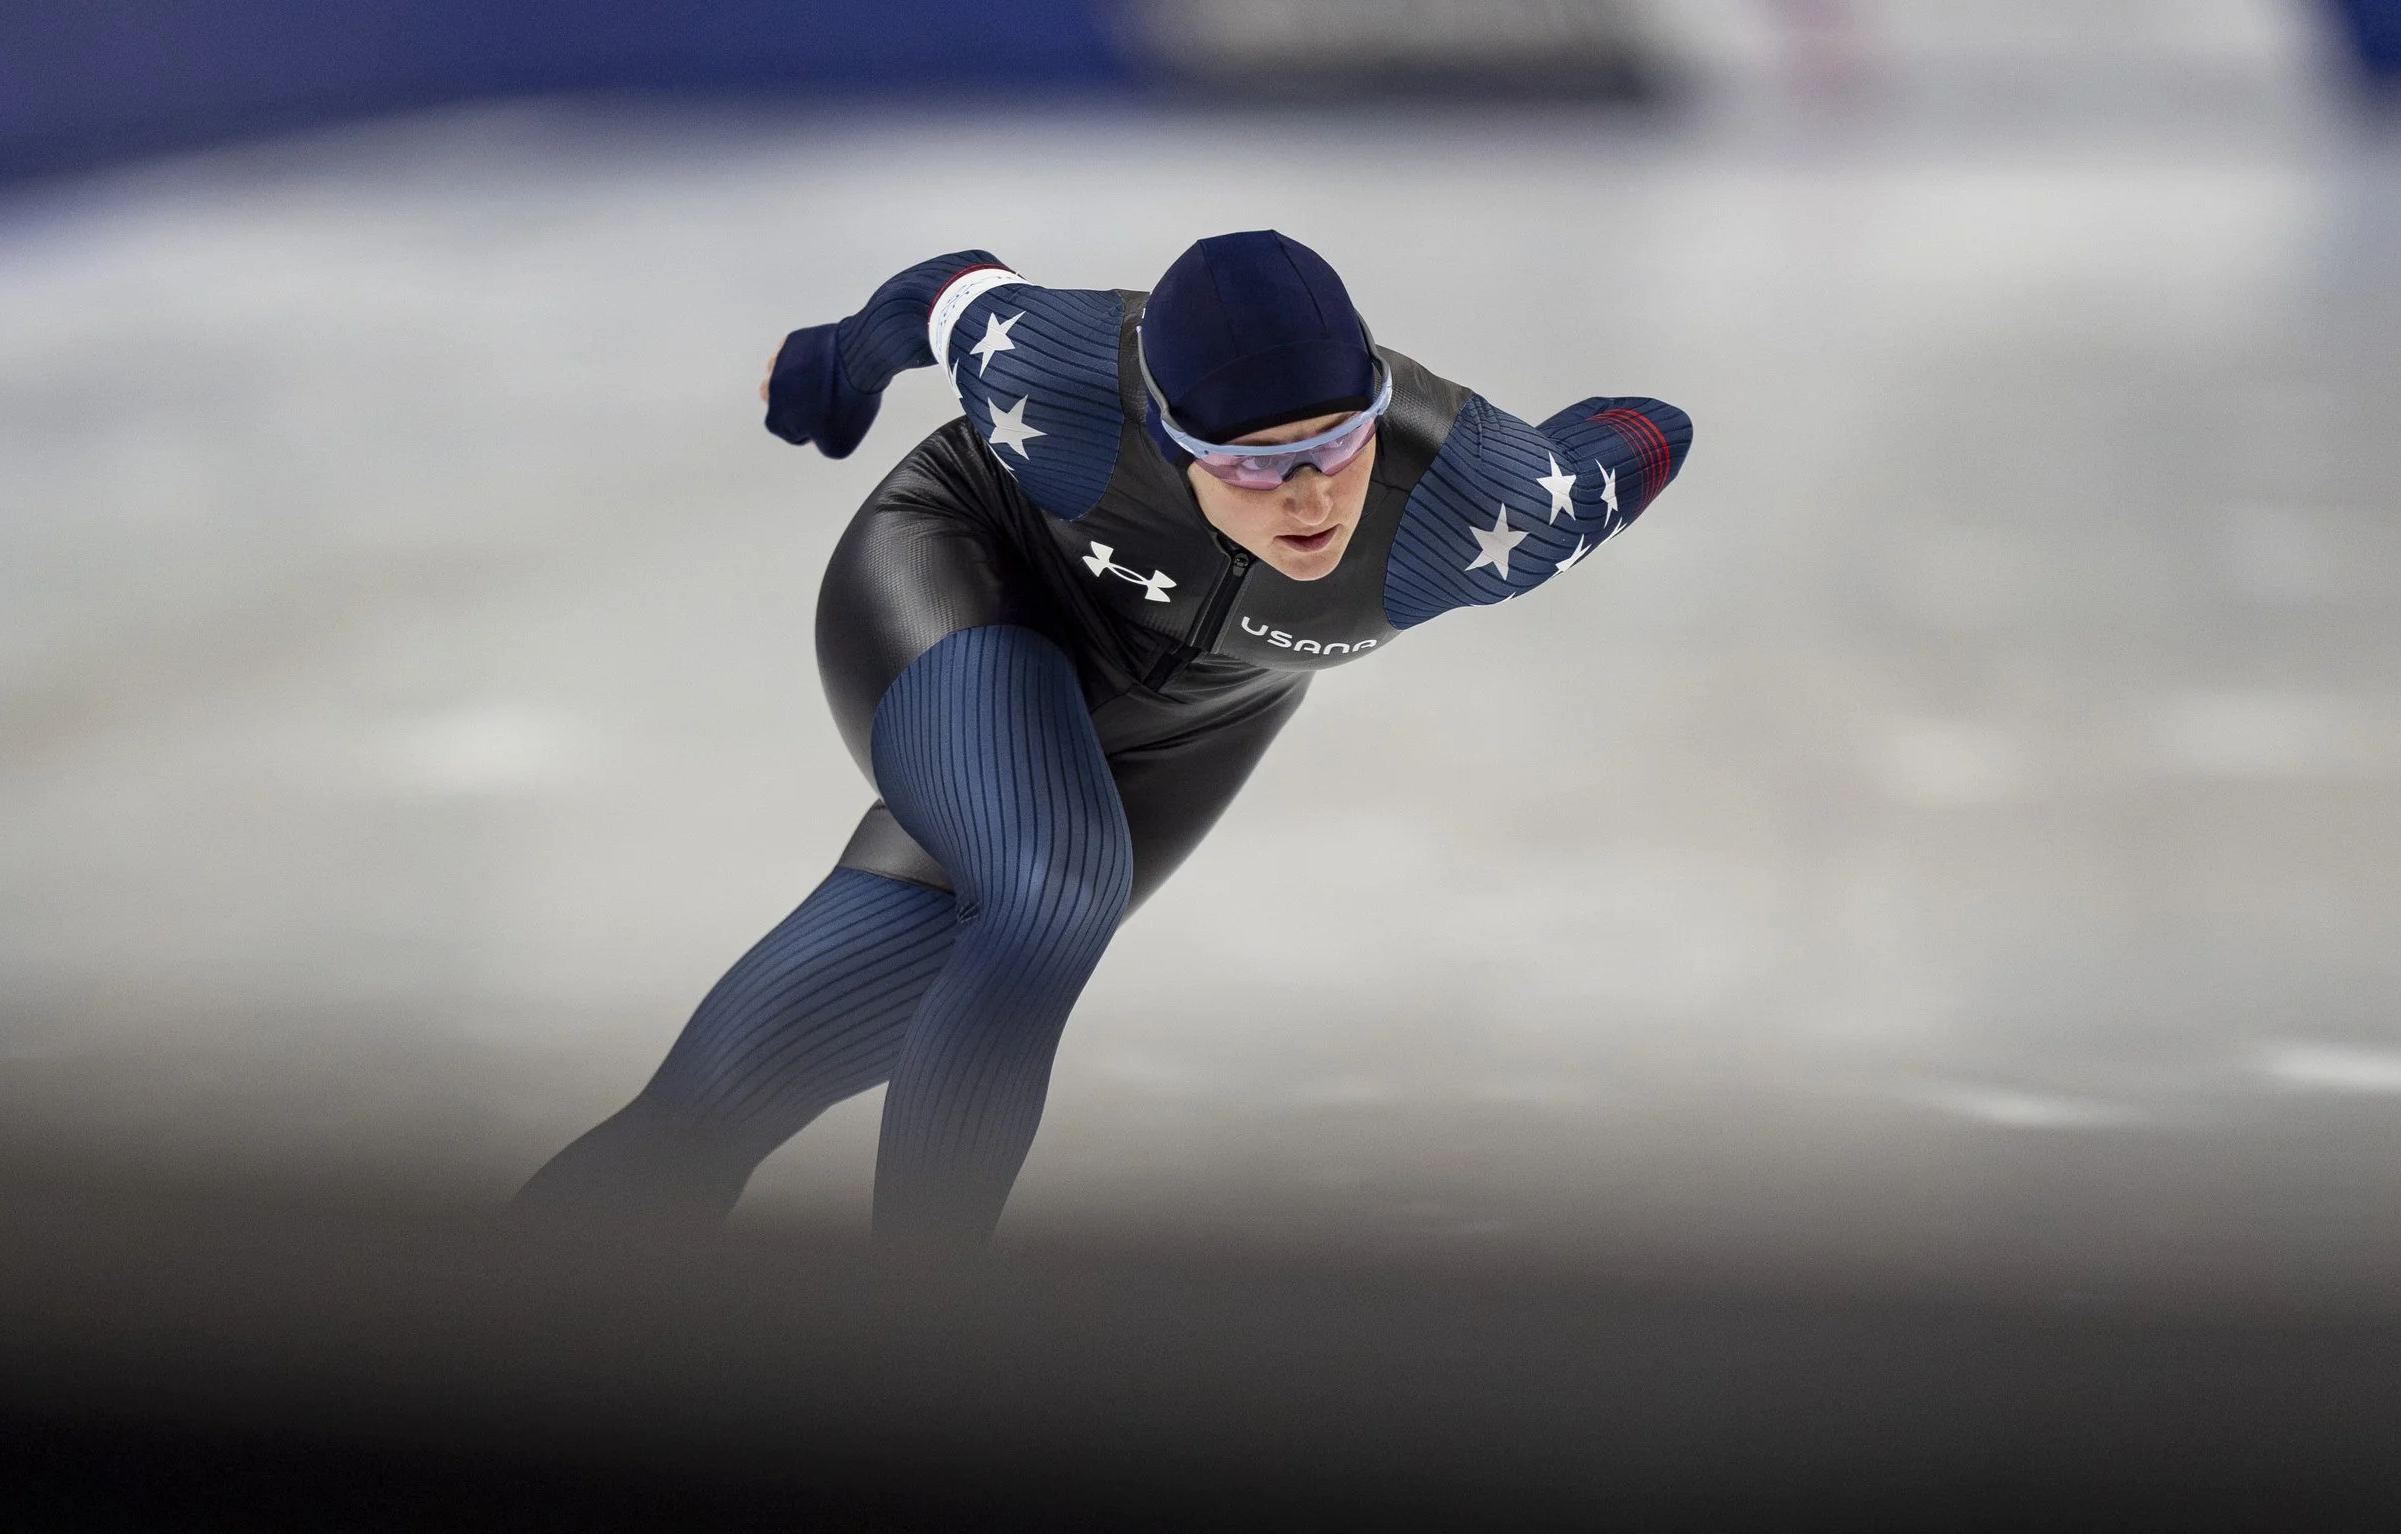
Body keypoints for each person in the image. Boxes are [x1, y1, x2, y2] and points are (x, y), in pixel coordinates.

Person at [516, 231, 1691, 1239]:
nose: (1310, 497)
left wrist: (1563, 443)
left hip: (1192, 730)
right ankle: (915, 1349)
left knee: (735, 1088)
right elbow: (947, 292)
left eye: (1337, 441)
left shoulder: (1481, 507)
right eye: (1250, 463)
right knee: (1049, 894)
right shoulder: (1067, 383)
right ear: (1169, 438)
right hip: (967, 583)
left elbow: (1643, 434)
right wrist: (836, 365)